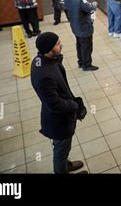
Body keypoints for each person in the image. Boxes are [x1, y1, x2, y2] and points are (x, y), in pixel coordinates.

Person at [31, 32, 87, 174]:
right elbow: (55, 105)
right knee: (61, 151)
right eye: (57, 44)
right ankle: (62, 169)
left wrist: (58, 59)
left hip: (58, 118)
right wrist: (74, 106)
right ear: (49, 49)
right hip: (59, 122)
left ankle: (65, 165)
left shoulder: (41, 60)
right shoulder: (44, 76)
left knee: (62, 148)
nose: (61, 45)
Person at [64, 0, 99, 71]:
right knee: (86, 46)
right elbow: (90, 9)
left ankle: (81, 62)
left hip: (75, 25)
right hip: (84, 26)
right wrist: (94, 4)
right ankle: (86, 65)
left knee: (79, 44)